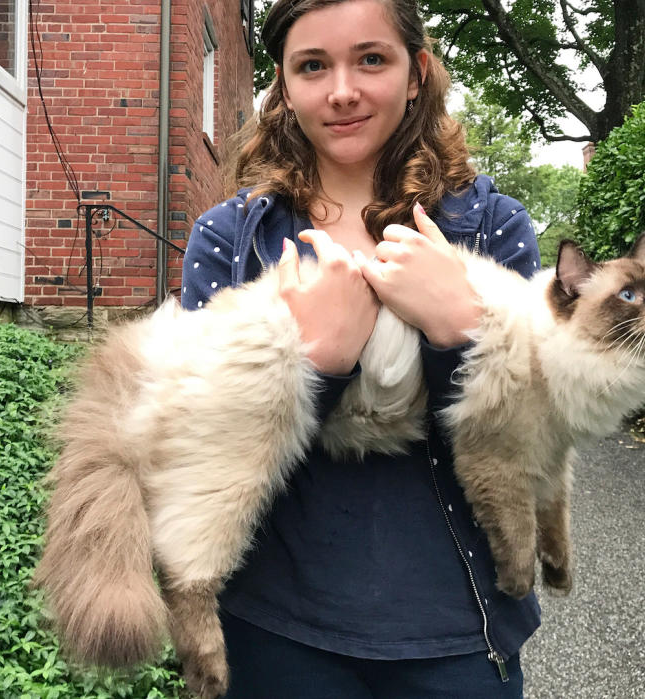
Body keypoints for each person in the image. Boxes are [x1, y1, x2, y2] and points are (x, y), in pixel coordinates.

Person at [180, 0, 543, 696]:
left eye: (371, 59)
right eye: (313, 66)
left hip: (459, 635)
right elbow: (197, 451)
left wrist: (461, 331)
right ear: (283, 88)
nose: (342, 90)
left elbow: (537, 441)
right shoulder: (229, 241)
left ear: (417, 73)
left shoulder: (491, 227)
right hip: (275, 631)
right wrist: (315, 365)